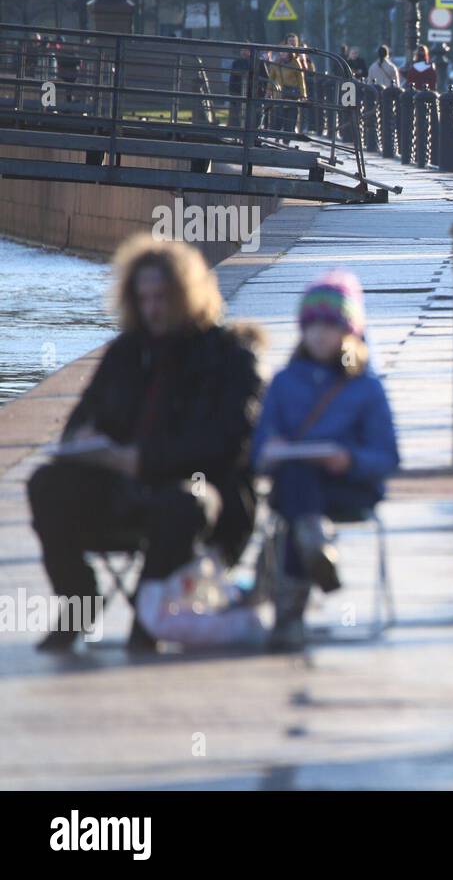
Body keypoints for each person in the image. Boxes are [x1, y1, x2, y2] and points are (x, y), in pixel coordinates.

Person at [27, 236, 264, 653]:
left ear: (187, 295)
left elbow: (225, 444)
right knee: (47, 483)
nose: (153, 309)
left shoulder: (228, 356)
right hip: (124, 489)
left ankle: (147, 615)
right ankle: (78, 597)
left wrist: (140, 461)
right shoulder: (126, 351)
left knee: (183, 501)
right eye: (145, 298)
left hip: (204, 497)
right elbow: (82, 421)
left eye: (162, 297)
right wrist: (86, 440)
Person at [252, 271, 400, 652]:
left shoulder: (366, 388)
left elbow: (387, 456)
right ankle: (315, 543)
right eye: (311, 324)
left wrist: (348, 458)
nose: (319, 334)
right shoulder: (285, 381)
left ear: (349, 332)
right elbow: (258, 451)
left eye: (330, 325)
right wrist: (270, 450)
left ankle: (290, 618)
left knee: (296, 502)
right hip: (297, 486)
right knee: (298, 481)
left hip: (348, 486)